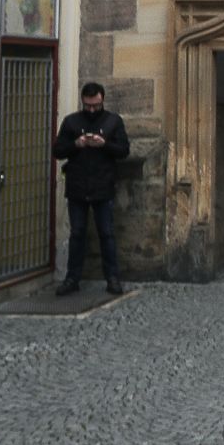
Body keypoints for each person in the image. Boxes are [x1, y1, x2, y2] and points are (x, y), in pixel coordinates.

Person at [53, 81, 130, 295]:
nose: (92, 110)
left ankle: (112, 278)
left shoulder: (113, 121)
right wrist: (75, 145)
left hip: (103, 186)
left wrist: (103, 144)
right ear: (83, 102)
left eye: (96, 105)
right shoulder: (71, 122)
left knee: (106, 233)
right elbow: (58, 150)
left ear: (102, 100)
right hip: (77, 186)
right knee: (77, 233)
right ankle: (72, 278)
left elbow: (124, 150)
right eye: (88, 106)